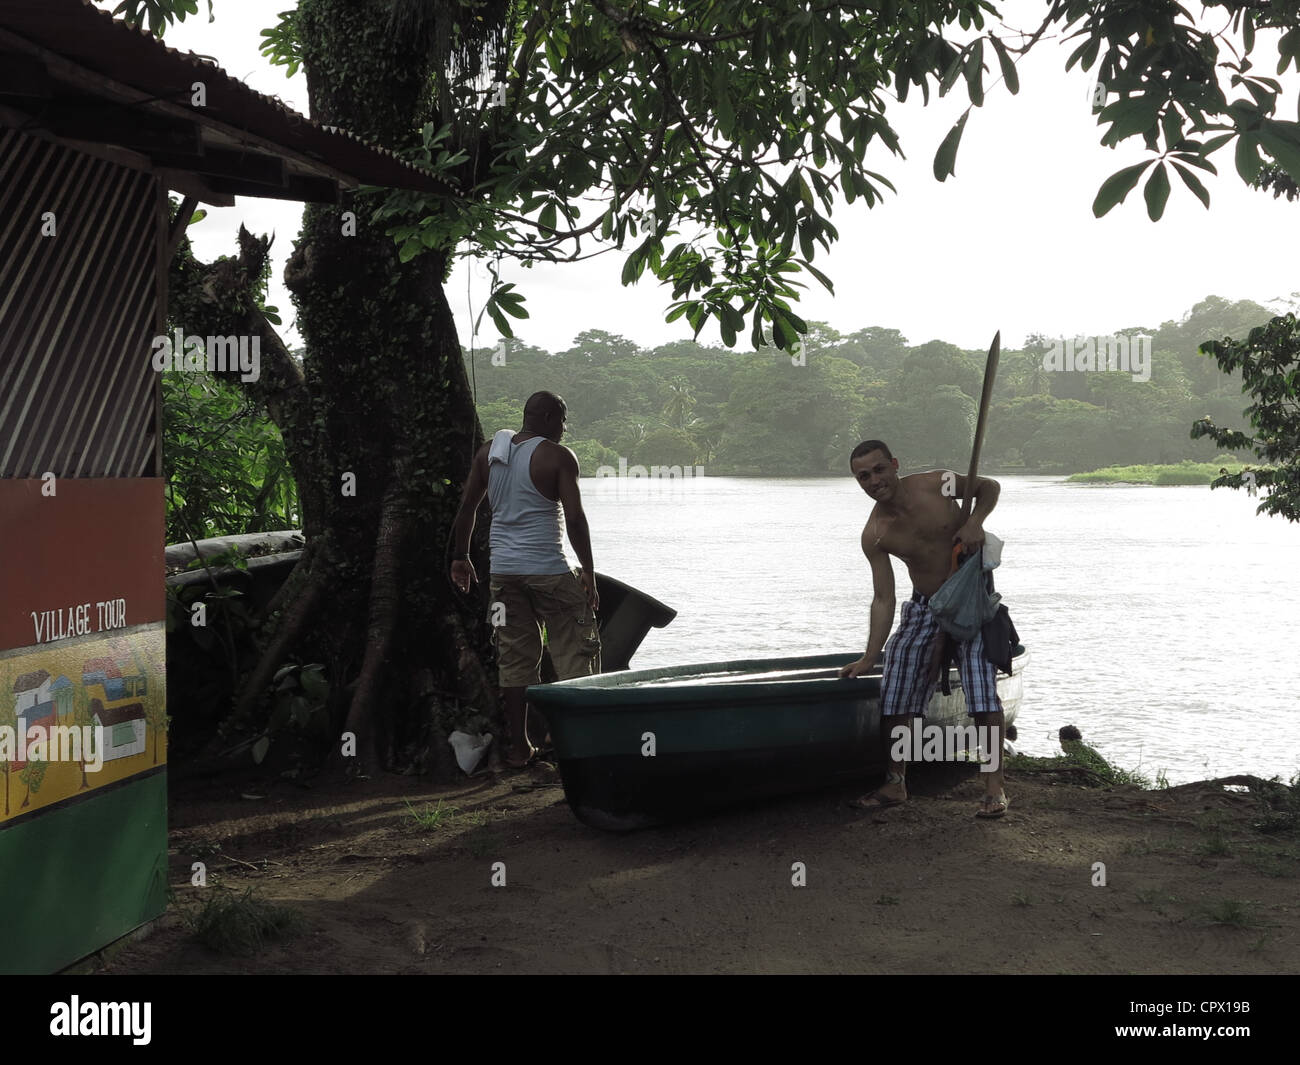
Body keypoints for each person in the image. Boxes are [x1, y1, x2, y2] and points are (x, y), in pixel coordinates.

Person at [838, 439, 1009, 817]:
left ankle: (994, 787)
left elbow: (988, 487)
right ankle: (895, 782)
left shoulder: (937, 484)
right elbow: (883, 598)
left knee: (981, 690)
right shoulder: (877, 533)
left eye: (879, 470)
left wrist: (974, 522)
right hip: (925, 605)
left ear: (894, 465)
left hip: (969, 597)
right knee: (896, 687)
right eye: (862, 476)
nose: (873, 480)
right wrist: (870, 656)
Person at [449, 391, 601, 767]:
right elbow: (576, 520)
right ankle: (566, 740)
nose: (564, 429)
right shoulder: (558, 456)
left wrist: (461, 556)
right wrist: (589, 572)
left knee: (513, 659)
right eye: (564, 421)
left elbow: (467, 507)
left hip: (503, 577)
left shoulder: (489, 453)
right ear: (550, 418)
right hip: (548, 571)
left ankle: (520, 749)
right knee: (575, 654)